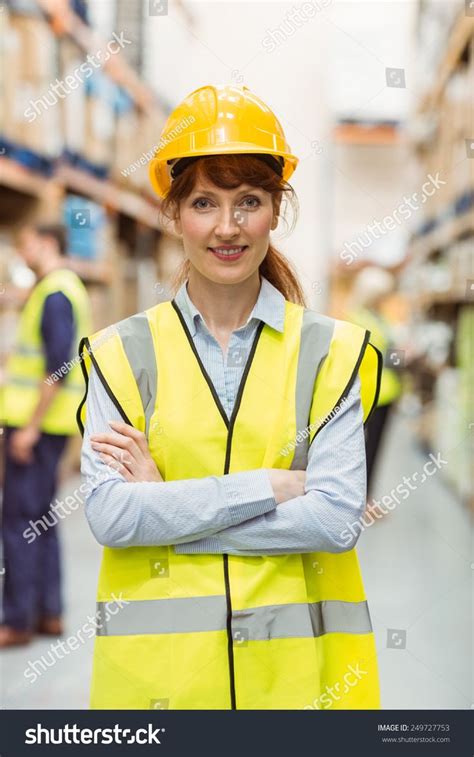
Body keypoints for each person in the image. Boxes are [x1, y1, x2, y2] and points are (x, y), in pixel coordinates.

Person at [77, 84, 382, 710]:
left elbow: (333, 519)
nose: (226, 226)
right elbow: (111, 517)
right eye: (203, 202)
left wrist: (164, 509)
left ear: (277, 209)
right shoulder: (118, 355)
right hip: (162, 692)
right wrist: (269, 486)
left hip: (295, 687)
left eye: (249, 201)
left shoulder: (332, 354)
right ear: (173, 212)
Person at [0, 224, 92, 647]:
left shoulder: (55, 291)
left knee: (20, 521)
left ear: (48, 243)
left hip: (35, 428)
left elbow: (59, 364)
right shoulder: (62, 288)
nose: (22, 251)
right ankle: (48, 613)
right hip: (50, 427)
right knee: (41, 520)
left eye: (26, 242)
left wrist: (31, 428)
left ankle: (17, 621)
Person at [347, 267, 402, 501]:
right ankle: (362, 502)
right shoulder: (358, 319)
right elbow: (377, 355)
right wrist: (401, 357)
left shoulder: (378, 316)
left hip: (387, 391)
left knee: (375, 448)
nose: (385, 299)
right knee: (365, 450)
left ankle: (367, 498)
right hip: (372, 393)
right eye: (382, 294)